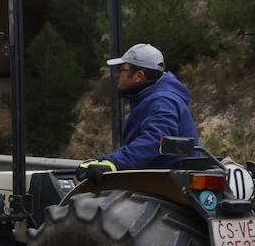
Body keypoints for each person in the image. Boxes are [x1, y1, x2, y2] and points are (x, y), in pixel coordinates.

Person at [77, 42, 199, 181]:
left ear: (138, 76)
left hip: (168, 185)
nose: (117, 75)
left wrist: (114, 163)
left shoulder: (162, 101)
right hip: (164, 180)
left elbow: (156, 140)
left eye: (122, 70)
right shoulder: (152, 97)